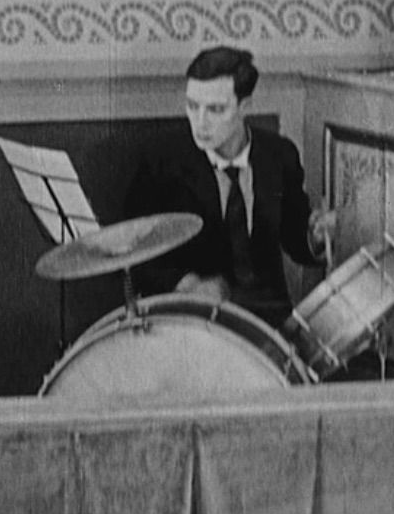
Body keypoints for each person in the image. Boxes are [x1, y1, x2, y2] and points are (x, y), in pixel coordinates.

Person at [124, 46, 334, 329]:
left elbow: (294, 236)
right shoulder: (162, 161)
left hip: (269, 319)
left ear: (245, 107)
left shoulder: (279, 155)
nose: (200, 122)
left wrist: (316, 238)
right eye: (192, 106)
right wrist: (189, 284)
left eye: (216, 110)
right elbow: (135, 252)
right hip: (196, 322)